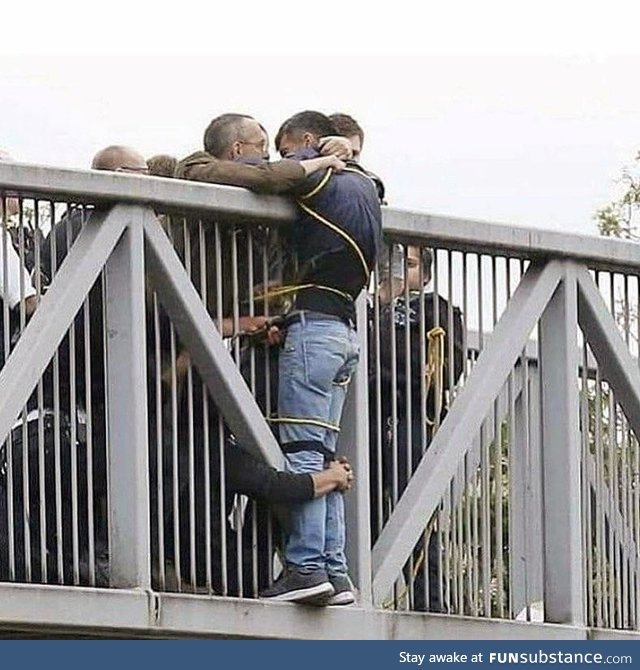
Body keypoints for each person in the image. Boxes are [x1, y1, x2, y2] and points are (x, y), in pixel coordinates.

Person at [256, 111, 382, 606]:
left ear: (306, 140)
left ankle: (306, 566)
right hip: (344, 333)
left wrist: (304, 160)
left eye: (286, 148)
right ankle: (336, 570)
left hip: (315, 332)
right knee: (325, 454)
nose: (284, 159)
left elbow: (270, 181)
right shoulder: (365, 182)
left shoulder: (317, 164)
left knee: (304, 450)